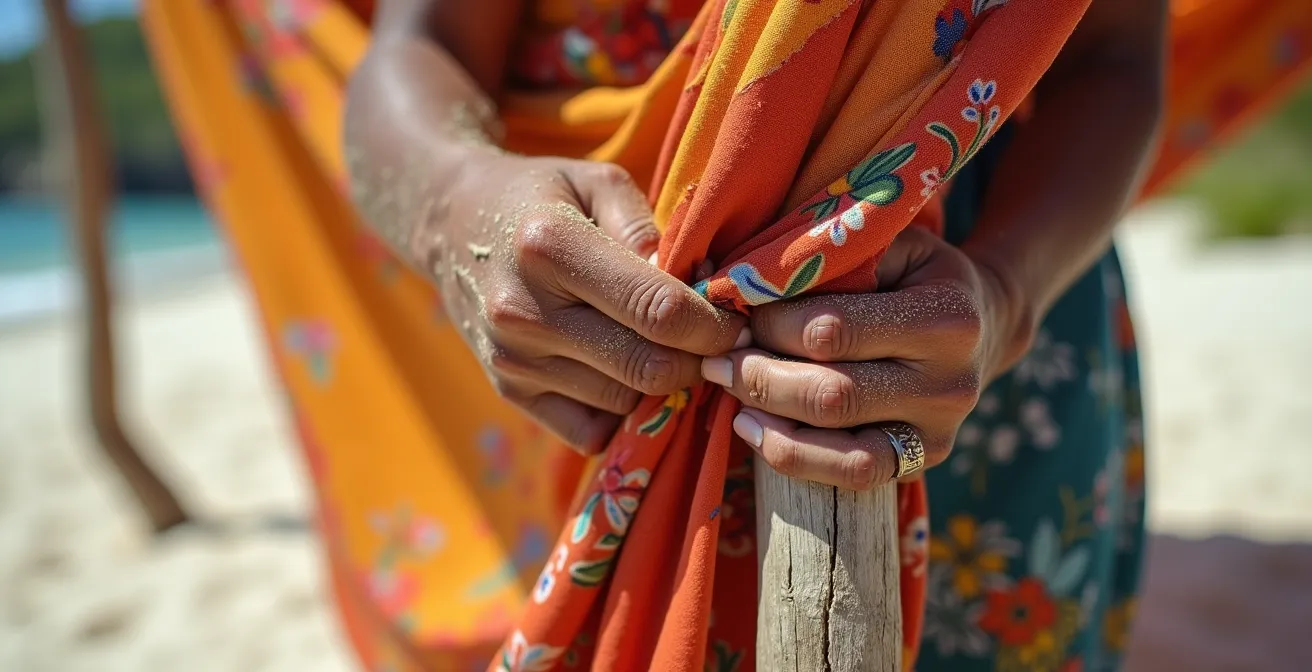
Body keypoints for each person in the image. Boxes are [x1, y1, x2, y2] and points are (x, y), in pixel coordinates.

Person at [343, 0, 1163, 669]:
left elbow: (1113, 52)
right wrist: (457, 204)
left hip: (963, 326)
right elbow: (420, 43)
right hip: (576, 312)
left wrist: (1008, 291)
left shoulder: (985, 311)